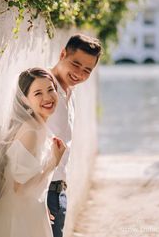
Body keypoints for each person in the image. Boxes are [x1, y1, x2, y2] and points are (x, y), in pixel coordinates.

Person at [0, 68, 66, 237]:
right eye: (38, 93)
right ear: (25, 99)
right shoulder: (30, 132)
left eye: (50, 89)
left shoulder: (38, 127)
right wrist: (54, 161)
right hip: (19, 220)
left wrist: (42, 205)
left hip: (30, 211)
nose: (47, 97)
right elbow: (19, 188)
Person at [47, 34, 102, 237]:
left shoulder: (69, 93)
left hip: (58, 190)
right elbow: (26, 139)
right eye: (75, 64)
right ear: (63, 54)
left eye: (87, 70)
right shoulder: (44, 88)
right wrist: (35, 200)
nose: (79, 73)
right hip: (43, 192)